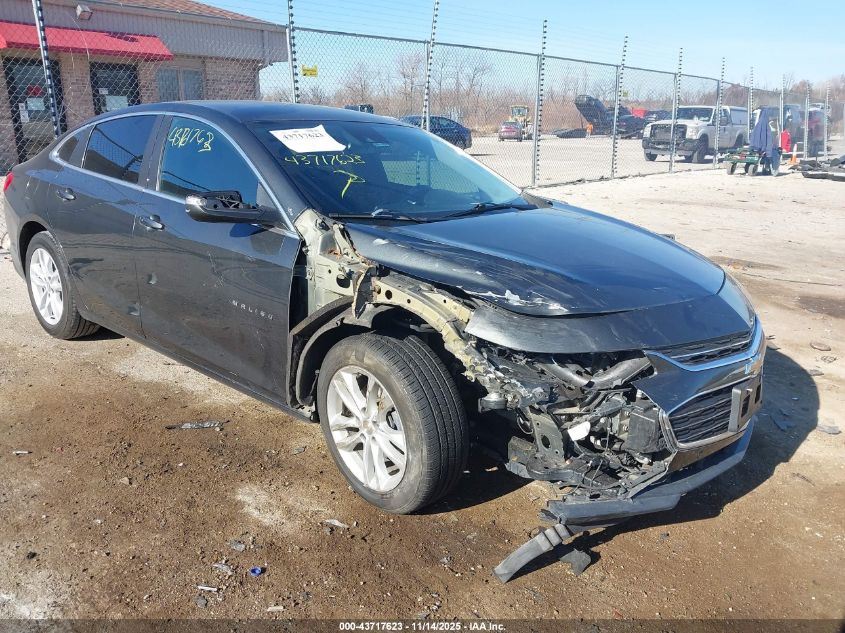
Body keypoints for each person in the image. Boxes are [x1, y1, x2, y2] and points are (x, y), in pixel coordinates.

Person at [750, 108, 781, 175]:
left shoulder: (759, 123)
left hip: (759, 147)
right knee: (774, 154)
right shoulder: (770, 124)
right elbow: (773, 137)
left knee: (768, 156)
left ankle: (766, 169)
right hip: (768, 148)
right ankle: (773, 170)